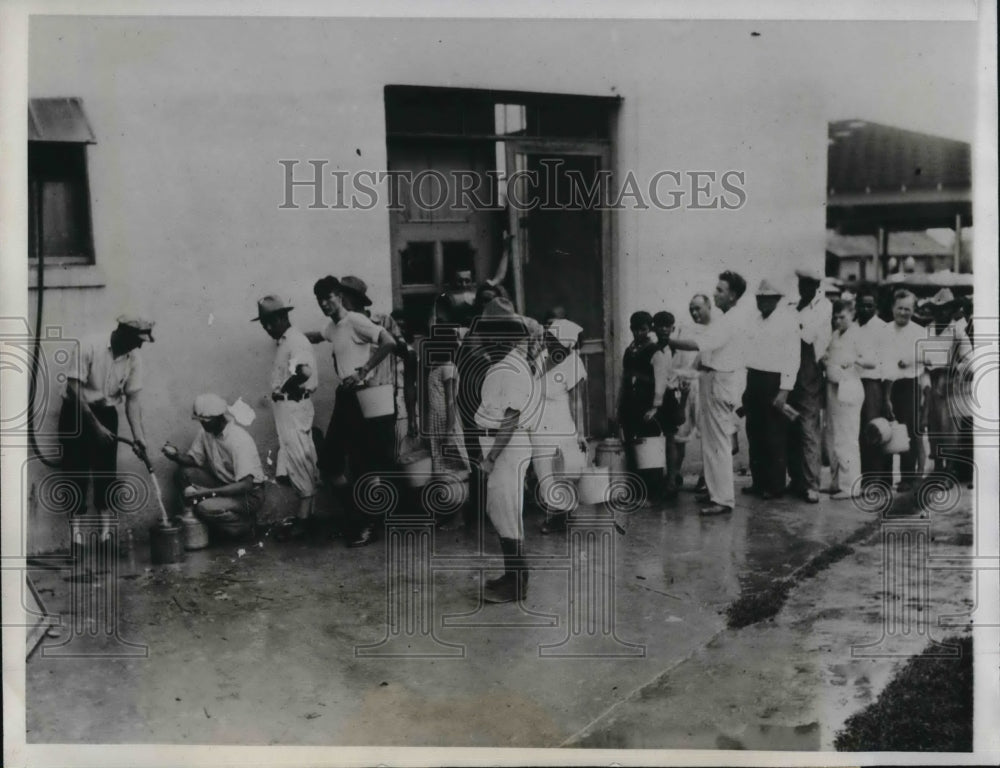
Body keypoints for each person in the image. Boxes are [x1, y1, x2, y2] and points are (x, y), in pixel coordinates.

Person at [308, 275, 398, 547]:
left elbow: (389, 342)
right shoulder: (332, 327)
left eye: (329, 297)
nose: (325, 304)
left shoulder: (356, 320)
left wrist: (363, 370)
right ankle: (355, 517)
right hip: (344, 397)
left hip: (363, 396)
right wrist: (292, 337)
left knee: (364, 464)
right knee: (329, 463)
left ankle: (367, 525)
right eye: (320, 300)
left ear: (340, 296)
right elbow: (319, 336)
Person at [59, 315, 154, 546]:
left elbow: (132, 400)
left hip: (106, 414)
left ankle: (105, 537)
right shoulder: (89, 345)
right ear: (123, 334)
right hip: (76, 413)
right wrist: (95, 427)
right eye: (137, 340)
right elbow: (74, 389)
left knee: (106, 475)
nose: (140, 346)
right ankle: (76, 539)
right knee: (76, 473)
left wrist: (139, 437)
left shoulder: (134, 358)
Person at [668, 271, 747, 516]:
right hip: (710, 379)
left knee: (718, 443)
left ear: (733, 295)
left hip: (720, 382)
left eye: (721, 290)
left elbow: (699, 345)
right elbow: (703, 353)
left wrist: (668, 341)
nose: (715, 293)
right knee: (711, 443)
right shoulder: (723, 319)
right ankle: (715, 492)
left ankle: (723, 499)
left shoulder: (730, 321)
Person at [476, 316, 537, 603]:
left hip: (507, 448)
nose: (487, 342)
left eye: (493, 337)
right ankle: (514, 576)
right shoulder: (501, 366)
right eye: (486, 337)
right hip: (500, 446)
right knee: (501, 510)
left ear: (508, 340)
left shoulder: (512, 368)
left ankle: (516, 584)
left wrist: (491, 456)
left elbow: (511, 418)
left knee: (506, 513)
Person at [253, 295, 319, 535]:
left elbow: (305, 371)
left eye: (271, 322)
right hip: (286, 407)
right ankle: (308, 516)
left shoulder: (295, 340)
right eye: (264, 324)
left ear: (282, 317)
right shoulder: (285, 342)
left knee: (299, 458)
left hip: (294, 405)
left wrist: (285, 388)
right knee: (296, 457)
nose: (268, 328)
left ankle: (304, 521)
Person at [335, 276, 418, 461]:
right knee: (358, 455)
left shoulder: (383, 321)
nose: (340, 301)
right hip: (355, 398)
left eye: (343, 296)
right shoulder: (341, 325)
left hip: (381, 399)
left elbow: (407, 354)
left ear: (355, 298)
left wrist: (385, 342)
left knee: (384, 456)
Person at [162, 393, 266, 540]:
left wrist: (208, 492)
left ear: (219, 417)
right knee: (184, 473)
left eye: (205, 421)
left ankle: (245, 525)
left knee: (204, 507)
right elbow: (194, 459)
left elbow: (246, 485)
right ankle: (215, 521)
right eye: (200, 421)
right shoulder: (206, 433)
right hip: (224, 485)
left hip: (248, 495)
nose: (202, 424)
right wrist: (176, 455)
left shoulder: (239, 439)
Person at [742, 279, 799, 500]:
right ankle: (759, 482)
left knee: (773, 434)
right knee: (754, 432)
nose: (761, 302)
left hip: (774, 381)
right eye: (759, 298)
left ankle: (775, 485)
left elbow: (792, 358)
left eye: (766, 298)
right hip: (754, 379)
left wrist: (785, 390)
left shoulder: (787, 322)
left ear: (776, 299)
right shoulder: (755, 320)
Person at [531, 317, 588, 533]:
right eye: (548, 338)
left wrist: (580, 433)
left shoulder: (573, 363)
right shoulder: (542, 357)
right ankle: (555, 512)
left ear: (565, 343)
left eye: (553, 340)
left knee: (560, 469)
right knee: (542, 468)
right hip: (539, 423)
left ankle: (560, 515)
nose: (549, 343)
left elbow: (577, 401)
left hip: (561, 422)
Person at [786, 267, 831, 504]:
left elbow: (808, 335)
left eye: (810, 284)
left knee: (808, 427)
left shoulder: (822, 307)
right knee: (791, 425)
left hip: (808, 368)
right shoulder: (794, 305)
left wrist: (790, 324)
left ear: (817, 286)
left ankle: (812, 483)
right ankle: (797, 479)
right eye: (802, 283)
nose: (805, 288)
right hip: (789, 366)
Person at [821, 299, 872, 499]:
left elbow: (872, 361)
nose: (838, 321)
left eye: (842, 317)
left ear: (852, 315)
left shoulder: (859, 334)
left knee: (847, 437)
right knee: (832, 436)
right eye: (835, 317)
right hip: (832, 387)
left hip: (849, 387)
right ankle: (836, 481)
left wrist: (854, 360)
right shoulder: (835, 335)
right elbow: (828, 354)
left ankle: (850, 485)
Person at [921, 289, 972, 486]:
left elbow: (970, 360)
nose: (941, 313)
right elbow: (921, 358)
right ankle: (938, 468)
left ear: (952, 310)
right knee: (933, 427)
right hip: (930, 382)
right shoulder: (927, 330)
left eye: (945, 309)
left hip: (950, 383)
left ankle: (950, 471)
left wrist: (956, 367)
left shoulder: (957, 332)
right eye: (937, 309)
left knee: (949, 428)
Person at [882, 289, 927, 492]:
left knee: (908, 430)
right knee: (887, 429)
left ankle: (907, 478)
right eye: (899, 308)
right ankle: (885, 478)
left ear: (913, 310)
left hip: (909, 385)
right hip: (887, 384)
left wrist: (911, 360)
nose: (903, 313)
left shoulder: (919, 332)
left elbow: (928, 358)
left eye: (907, 309)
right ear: (893, 308)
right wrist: (886, 395)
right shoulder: (884, 330)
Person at [618, 311, 660, 506]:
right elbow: (624, 379)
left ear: (649, 329)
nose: (638, 333)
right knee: (631, 448)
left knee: (648, 451)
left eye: (642, 329)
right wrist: (619, 406)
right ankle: (636, 492)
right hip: (630, 405)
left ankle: (651, 494)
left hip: (647, 406)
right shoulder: (629, 351)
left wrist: (655, 407)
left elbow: (660, 380)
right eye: (635, 329)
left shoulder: (655, 351)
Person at [854, 287, 892, 488]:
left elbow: (888, 364)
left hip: (873, 385)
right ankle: (864, 477)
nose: (865, 309)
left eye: (870, 306)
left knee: (874, 430)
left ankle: (877, 480)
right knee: (859, 432)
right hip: (854, 383)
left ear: (876, 307)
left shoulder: (882, 328)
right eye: (862, 305)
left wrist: (886, 396)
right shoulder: (853, 326)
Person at [672, 295, 711, 492]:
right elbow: (677, 359)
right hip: (683, 384)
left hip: (704, 385)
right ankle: (674, 475)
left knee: (707, 434)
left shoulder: (716, 329)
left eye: (698, 308)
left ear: (708, 307)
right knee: (679, 433)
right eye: (691, 309)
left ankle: (706, 477)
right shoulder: (684, 329)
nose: (694, 313)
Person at [426, 325, 470, 477]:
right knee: (441, 463)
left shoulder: (448, 368)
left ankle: (458, 489)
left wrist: (449, 432)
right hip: (437, 421)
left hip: (446, 422)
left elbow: (451, 401)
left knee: (453, 464)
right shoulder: (437, 367)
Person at [650, 311, 684, 499]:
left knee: (672, 439)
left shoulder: (678, 351)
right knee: (655, 439)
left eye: (667, 326)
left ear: (673, 328)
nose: (663, 329)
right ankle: (658, 480)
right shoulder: (651, 349)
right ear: (654, 328)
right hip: (654, 396)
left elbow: (684, 378)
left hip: (671, 396)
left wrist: (682, 403)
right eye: (660, 326)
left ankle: (672, 479)